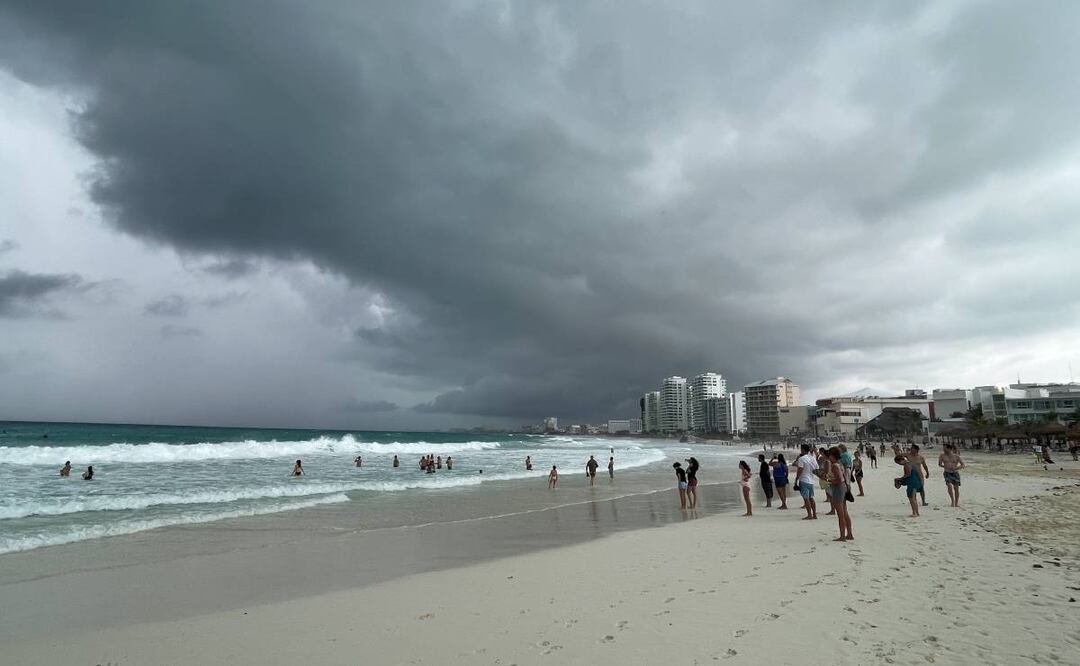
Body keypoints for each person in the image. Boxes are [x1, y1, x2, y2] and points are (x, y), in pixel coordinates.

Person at [826, 447, 854, 541]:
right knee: (845, 512)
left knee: (840, 514)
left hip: (838, 488)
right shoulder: (840, 464)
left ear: (832, 456)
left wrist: (829, 481)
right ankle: (849, 534)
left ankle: (842, 536)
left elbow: (838, 479)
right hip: (843, 487)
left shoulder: (834, 465)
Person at [795, 444, 818, 520]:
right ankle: (814, 514)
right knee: (811, 498)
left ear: (803, 450)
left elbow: (800, 469)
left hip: (804, 480)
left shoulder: (801, 459)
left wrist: (796, 479)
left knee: (806, 498)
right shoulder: (812, 458)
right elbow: (816, 469)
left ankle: (809, 515)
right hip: (811, 480)